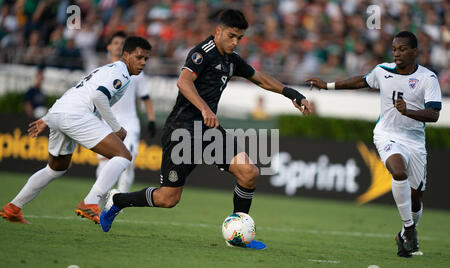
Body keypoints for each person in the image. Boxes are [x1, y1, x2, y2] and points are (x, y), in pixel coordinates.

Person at [100, 9, 312, 249]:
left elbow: (260, 78)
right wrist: (204, 109)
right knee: (168, 199)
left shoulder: (232, 60)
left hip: (209, 130)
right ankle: (118, 200)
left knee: (249, 172)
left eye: (239, 38)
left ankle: (237, 237)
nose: (235, 42)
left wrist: (291, 93)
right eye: (231, 36)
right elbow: (184, 81)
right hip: (182, 130)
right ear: (218, 31)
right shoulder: (202, 53)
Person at [306, 31, 442, 258]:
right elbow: (361, 81)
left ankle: (404, 233)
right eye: (394, 49)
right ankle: (409, 229)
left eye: (402, 49)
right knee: (398, 172)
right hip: (386, 134)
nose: (397, 53)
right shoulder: (383, 71)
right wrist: (327, 85)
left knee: (416, 197)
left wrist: (408, 111)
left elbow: (434, 114)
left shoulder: (428, 79)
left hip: (415, 140)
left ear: (414, 52)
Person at [0, 36, 152, 225]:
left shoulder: (104, 69)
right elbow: (98, 96)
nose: (143, 63)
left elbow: (77, 90)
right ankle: (90, 202)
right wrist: (116, 128)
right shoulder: (120, 72)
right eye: (139, 58)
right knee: (123, 156)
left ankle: (14, 207)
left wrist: (48, 118)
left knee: (55, 168)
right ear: (126, 54)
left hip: (60, 112)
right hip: (76, 115)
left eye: (146, 59)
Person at [96, 31, 156, 194]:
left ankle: (117, 203)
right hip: (107, 123)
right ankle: (97, 200)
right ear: (108, 47)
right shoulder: (103, 71)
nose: (118, 46)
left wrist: (151, 120)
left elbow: (146, 98)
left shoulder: (136, 73)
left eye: (121, 43)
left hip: (129, 122)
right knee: (104, 164)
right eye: (115, 43)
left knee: (128, 161)